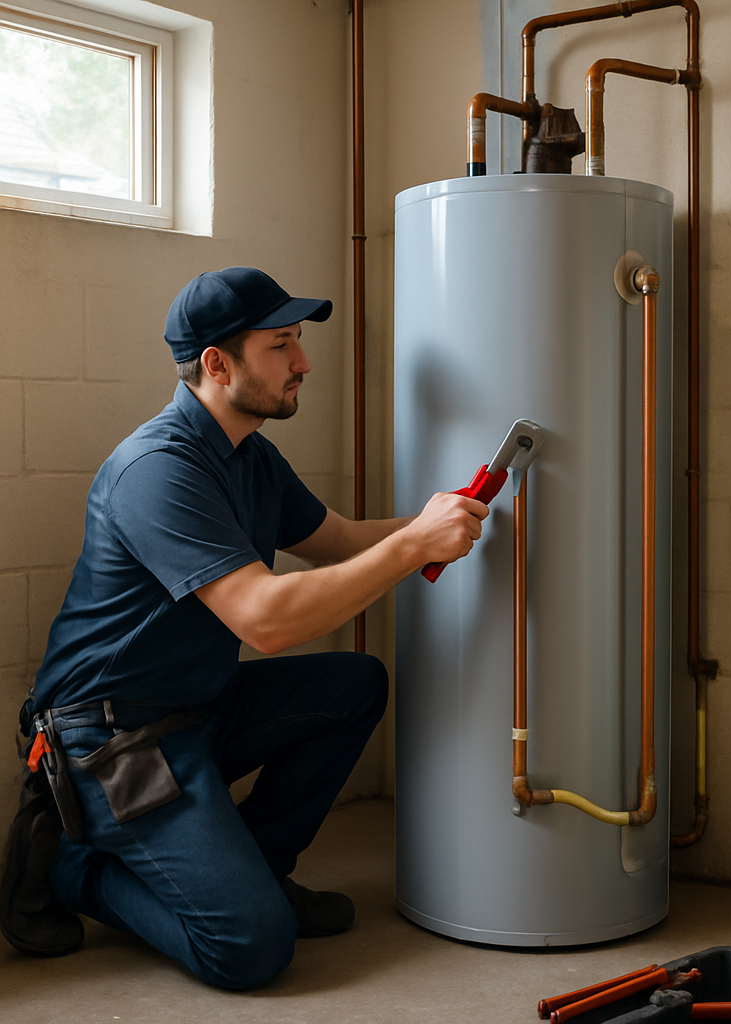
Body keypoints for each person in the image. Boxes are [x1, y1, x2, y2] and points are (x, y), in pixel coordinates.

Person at [0, 266, 487, 989]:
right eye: (281, 345)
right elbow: (266, 622)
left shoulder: (250, 456)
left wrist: (447, 513)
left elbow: (342, 539)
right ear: (218, 365)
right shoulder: (157, 469)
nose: (303, 363)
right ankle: (81, 868)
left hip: (196, 706)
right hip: (111, 740)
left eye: (298, 342)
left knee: (354, 684)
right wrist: (415, 547)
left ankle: (253, 869)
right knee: (251, 947)